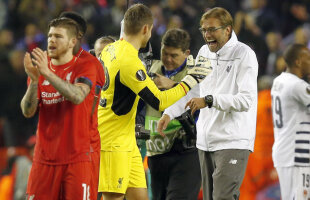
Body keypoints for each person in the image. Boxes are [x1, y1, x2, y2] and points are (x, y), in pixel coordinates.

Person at [97, 3, 212, 200]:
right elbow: (159, 101)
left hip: (126, 140)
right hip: (113, 140)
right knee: (113, 197)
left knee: (140, 197)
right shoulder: (129, 61)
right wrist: (190, 81)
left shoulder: (111, 49)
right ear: (146, 29)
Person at [158, 7, 258, 200]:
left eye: (212, 29)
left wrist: (210, 101)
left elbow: (246, 100)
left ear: (227, 30)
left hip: (232, 140)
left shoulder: (244, 54)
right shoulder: (204, 52)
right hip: (205, 141)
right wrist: (169, 112)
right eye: (203, 30)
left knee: (223, 197)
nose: (207, 35)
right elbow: (195, 89)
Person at [20, 18, 97, 199]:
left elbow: (78, 96)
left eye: (58, 36)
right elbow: (27, 111)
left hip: (77, 159)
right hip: (43, 160)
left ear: (72, 42)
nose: (51, 40)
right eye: (49, 36)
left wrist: (47, 74)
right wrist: (34, 81)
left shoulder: (86, 65)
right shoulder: (41, 67)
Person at [145, 28, 201, 200]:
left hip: (186, 151)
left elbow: (201, 98)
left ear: (187, 53)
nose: (168, 59)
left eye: (174, 55)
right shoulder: (150, 68)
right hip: (155, 151)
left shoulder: (196, 73)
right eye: (165, 53)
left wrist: (173, 86)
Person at [59, 11, 106, 200]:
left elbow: (89, 104)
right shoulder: (48, 63)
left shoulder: (91, 65)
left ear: (78, 35)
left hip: (83, 147)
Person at [271, 43, 310, 200]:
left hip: (284, 150)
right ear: (298, 62)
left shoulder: (279, 81)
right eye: (309, 58)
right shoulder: (298, 86)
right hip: (297, 154)